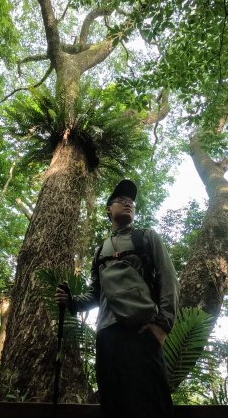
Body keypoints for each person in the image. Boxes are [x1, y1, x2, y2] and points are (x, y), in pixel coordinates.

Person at [55, 179, 179, 418]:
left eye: (131, 201)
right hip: (107, 335)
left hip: (142, 330)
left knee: (152, 401)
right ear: (108, 210)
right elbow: (95, 294)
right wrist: (71, 302)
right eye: (121, 201)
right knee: (113, 402)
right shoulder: (100, 251)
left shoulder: (146, 237)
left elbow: (169, 279)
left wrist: (163, 325)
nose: (128, 203)